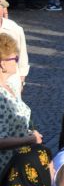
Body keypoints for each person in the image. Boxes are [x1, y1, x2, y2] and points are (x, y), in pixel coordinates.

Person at [0, 33, 38, 169]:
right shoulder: (0, 95)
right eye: (14, 58)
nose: (17, 61)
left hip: (16, 162)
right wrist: (30, 139)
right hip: (4, 166)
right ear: (2, 63)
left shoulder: (9, 86)